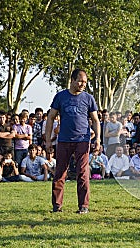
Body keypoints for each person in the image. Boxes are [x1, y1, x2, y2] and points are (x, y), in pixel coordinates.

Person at [45, 68, 101, 214]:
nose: (83, 84)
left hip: (83, 140)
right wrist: (48, 140)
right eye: (80, 81)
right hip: (63, 140)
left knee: (82, 173)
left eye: (85, 82)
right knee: (60, 173)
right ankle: (57, 206)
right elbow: (50, 117)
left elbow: (95, 120)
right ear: (72, 80)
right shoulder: (60, 97)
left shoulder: (88, 98)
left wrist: (98, 139)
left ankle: (84, 206)